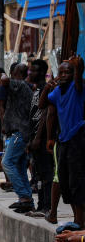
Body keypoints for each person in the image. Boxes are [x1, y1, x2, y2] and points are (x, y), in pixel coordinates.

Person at [45, 56, 85, 226]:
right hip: (63, 139)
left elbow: (77, 80)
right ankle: (77, 219)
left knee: (77, 180)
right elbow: (44, 106)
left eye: (67, 72)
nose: (63, 75)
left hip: (78, 136)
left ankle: (79, 220)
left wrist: (77, 67)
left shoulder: (78, 87)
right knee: (64, 178)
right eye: (60, 72)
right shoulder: (57, 91)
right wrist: (49, 85)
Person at [0, 62, 35, 212]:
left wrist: (3, 76)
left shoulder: (19, 85)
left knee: (7, 162)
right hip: (20, 131)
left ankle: (24, 196)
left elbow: (5, 80)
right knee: (19, 166)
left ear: (16, 73)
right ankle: (26, 199)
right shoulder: (24, 87)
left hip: (19, 132)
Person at [27, 59, 53, 215]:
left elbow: (45, 114)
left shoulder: (46, 89)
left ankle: (47, 206)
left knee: (46, 172)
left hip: (42, 138)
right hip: (34, 137)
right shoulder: (36, 90)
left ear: (42, 72)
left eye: (35, 70)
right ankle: (41, 204)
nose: (31, 73)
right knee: (38, 173)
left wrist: (37, 137)